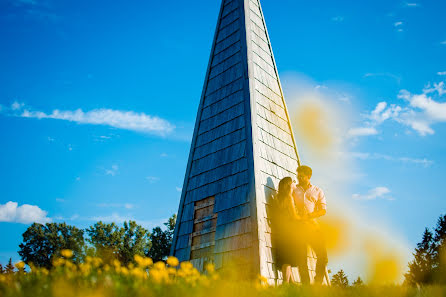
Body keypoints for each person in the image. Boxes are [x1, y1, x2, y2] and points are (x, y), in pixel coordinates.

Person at [292, 165, 328, 285]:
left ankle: (317, 284)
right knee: (302, 259)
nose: (299, 178)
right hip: (298, 227)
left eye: (301, 176)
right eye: (298, 176)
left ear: (309, 176)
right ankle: (306, 287)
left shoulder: (318, 191)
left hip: (312, 226)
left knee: (323, 256)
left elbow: (323, 210)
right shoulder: (293, 189)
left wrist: (310, 215)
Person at [271, 176, 302, 284]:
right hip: (289, 232)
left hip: (280, 232)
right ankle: (285, 285)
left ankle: (292, 284)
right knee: (287, 260)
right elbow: (294, 216)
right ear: (289, 185)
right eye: (293, 182)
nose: (294, 184)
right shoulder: (289, 198)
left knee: (285, 259)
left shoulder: (278, 198)